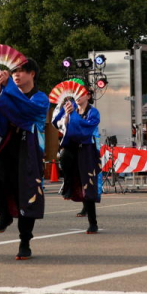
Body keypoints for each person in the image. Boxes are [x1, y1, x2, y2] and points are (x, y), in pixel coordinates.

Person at [0, 58, 48, 260]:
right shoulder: (9, 93)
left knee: (25, 195)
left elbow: (25, 111)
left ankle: (25, 241)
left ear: (32, 74)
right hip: (9, 148)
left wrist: (7, 90)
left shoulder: (41, 98)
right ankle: (5, 214)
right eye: (14, 71)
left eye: (21, 71)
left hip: (29, 152)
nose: (16, 75)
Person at [53, 93, 103, 234]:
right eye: (76, 95)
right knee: (64, 156)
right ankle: (68, 185)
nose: (78, 97)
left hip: (87, 149)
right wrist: (67, 116)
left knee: (88, 183)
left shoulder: (93, 112)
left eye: (81, 94)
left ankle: (93, 222)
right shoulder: (71, 109)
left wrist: (73, 115)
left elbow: (85, 129)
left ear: (88, 96)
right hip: (72, 148)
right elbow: (60, 125)